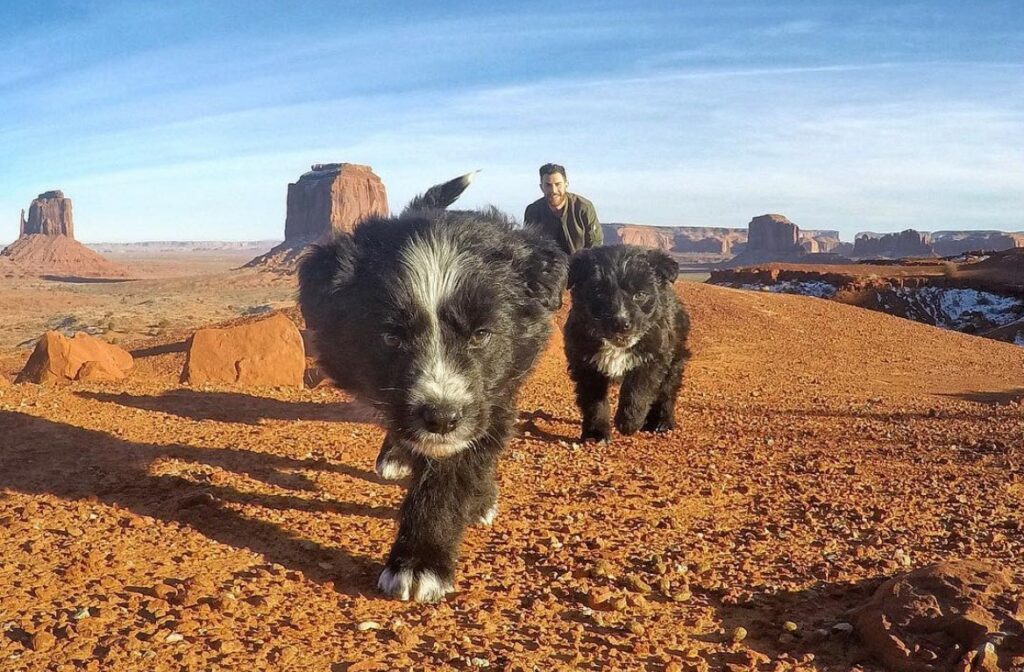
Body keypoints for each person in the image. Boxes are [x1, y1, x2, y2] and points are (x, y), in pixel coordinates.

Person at [523, 163, 602, 254]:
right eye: (548, 185)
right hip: (547, 265)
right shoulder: (533, 211)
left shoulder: (584, 208)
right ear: (541, 187)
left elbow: (595, 245)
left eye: (558, 184)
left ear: (566, 184)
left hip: (580, 263)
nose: (553, 190)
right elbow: (528, 246)